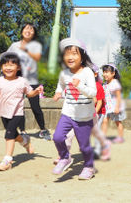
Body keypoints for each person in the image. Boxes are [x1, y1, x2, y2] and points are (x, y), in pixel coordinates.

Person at [0, 23, 51, 140]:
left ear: (34, 33)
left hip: (31, 77)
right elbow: (7, 59)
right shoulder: (14, 45)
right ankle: (23, 130)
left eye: (31, 29)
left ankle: (43, 129)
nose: (28, 31)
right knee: (18, 104)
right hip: (17, 77)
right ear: (21, 32)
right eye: (26, 28)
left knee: (35, 105)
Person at [0, 52, 43, 171]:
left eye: (11, 65)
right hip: (3, 112)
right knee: (12, 134)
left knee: (9, 133)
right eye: (5, 65)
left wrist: (36, 91)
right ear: (1, 66)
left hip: (17, 112)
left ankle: (7, 160)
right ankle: (24, 141)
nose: (8, 68)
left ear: (18, 67)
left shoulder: (22, 81)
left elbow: (29, 94)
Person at [52, 38, 97, 180]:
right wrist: (58, 92)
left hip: (84, 117)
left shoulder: (87, 72)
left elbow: (93, 93)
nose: (70, 57)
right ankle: (65, 157)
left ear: (82, 56)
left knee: (84, 147)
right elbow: (61, 84)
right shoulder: (64, 73)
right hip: (68, 113)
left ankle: (89, 167)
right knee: (57, 137)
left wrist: (80, 86)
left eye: (74, 53)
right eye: (66, 54)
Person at [102, 64, 125, 143]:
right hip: (108, 106)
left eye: (107, 72)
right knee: (105, 121)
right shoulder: (105, 84)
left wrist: (117, 107)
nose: (105, 74)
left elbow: (119, 97)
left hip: (115, 106)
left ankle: (120, 137)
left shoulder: (115, 83)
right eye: (104, 72)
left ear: (113, 73)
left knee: (118, 122)